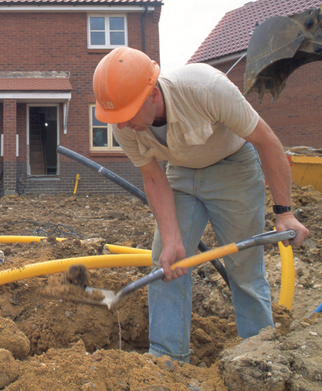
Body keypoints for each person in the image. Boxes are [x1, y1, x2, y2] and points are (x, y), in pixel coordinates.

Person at [92, 46, 309, 364]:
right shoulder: (124, 123)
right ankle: (166, 358)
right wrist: (172, 239)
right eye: (117, 118)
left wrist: (284, 212)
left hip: (233, 168)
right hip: (179, 174)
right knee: (166, 263)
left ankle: (259, 356)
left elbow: (267, 143)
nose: (121, 126)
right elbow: (153, 178)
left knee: (244, 268)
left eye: (127, 116)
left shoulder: (207, 89)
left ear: (153, 94)